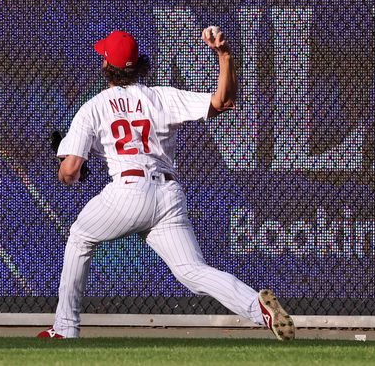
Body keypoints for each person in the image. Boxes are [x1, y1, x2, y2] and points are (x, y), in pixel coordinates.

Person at [37, 28, 294, 341]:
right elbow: (223, 101)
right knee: (192, 270)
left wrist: (68, 171)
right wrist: (224, 55)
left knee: (79, 237)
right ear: (138, 65)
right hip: (167, 195)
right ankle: (257, 307)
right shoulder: (161, 97)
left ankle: (64, 329)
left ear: (106, 67)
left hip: (128, 192)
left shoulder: (94, 107)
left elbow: (71, 169)